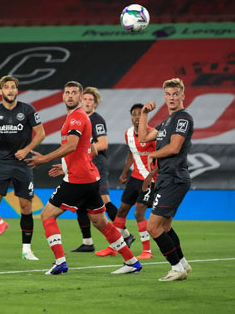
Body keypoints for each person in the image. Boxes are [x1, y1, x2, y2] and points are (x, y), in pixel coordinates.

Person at [27, 81, 142, 275]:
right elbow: (92, 149)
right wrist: (67, 165)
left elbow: (72, 146)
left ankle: (60, 262)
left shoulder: (76, 118)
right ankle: (132, 262)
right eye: (67, 92)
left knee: (47, 215)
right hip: (88, 178)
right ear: (63, 96)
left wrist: (44, 159)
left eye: (74, 93)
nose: (70, 95)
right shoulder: (78, 117)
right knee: (100, 222)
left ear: (81, 97)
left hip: (78, 180)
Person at [0, 75, 45, 262]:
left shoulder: (28, 110)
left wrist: (27, 150)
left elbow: (41, 133)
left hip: (23, 164)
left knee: (26, 206)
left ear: (17, 90)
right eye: (7, 87)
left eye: (13, 87)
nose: (10, 90)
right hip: (3, 164)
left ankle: (27, 250)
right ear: (0, 91)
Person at [138, 78, 194, 281]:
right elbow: (143, 137)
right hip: (167, 178)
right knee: (165, 227)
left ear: (182, 95)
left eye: (175, 94)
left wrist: (154, 155)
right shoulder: (167, 122)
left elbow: (174, 147)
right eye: (168, 94)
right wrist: (144, 114)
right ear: (165, 96)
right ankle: (183, 264)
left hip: (174, 177)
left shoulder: (182, 119)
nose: (172, 98)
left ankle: (176, 267)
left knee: (152, 227)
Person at [71, 87, 126, 254]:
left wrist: (83, 150)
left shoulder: (97, 120)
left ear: (95, 103)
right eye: (84, 99)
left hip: (96, 164)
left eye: (90, 99)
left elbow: (103, 144)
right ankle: (87, 242)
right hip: (83, 166)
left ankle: (124, 233)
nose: (87, 102)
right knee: (79, 204)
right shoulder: (79, 119)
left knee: (104, 199)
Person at [110, 103, 157, 260]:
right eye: (134, 114)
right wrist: (124, 173)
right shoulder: (128, 134)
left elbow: (159, 157)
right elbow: (132, 153)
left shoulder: (152, 134)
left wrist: (152, 176)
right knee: (122, 210)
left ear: (145, 116)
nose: (137, 117)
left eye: (140, 114)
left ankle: (147, 251)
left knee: (138, 212)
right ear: (131, 117)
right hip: (135, 178)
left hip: (149, 179)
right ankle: (114, 247)